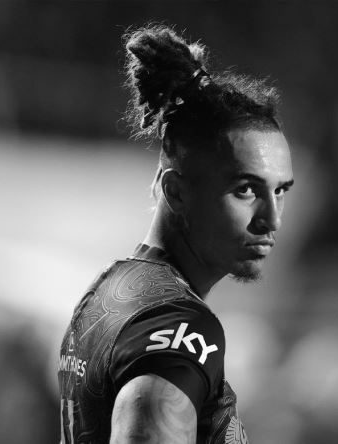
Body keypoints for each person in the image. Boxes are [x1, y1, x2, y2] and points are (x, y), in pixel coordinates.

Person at [58, 24, 294, 444]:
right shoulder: (180, 327)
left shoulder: (105, 291)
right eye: (246, 190)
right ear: (176, 192)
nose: (272, 219)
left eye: (279, 191)